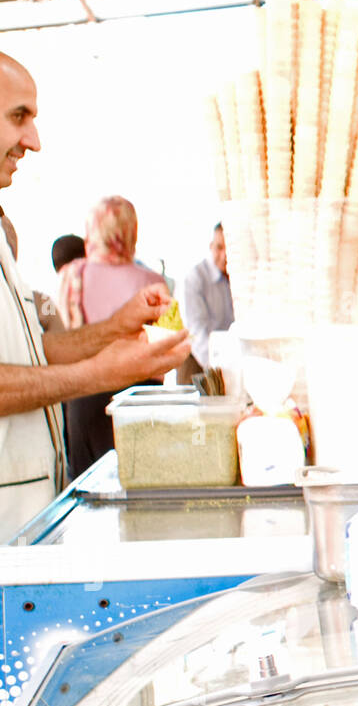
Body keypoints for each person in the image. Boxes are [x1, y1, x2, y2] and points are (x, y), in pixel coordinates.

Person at [0, 51, 191, 539]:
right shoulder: (150, 275)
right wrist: (101, 371)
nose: (34, 141)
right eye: (18, 117)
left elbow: (31, 353)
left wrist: (113, 329)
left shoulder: (11, 236)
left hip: (29, 517)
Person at [57, 196, 170, 478]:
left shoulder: (72, 275)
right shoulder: (152, 281)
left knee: (88, 490)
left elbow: (62, 338)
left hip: (85, 393)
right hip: (142, 399)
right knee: (143, 484)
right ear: (132, 230)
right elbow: (166, 348)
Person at [179, 222, 233, 386]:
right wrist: (223, 374)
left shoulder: (239, 277)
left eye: (229, 248)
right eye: (219, 248)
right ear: (211, 246)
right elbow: (197, 334)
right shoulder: (195, 278)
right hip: (198, 363)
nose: (224, 255)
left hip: (230, 364)